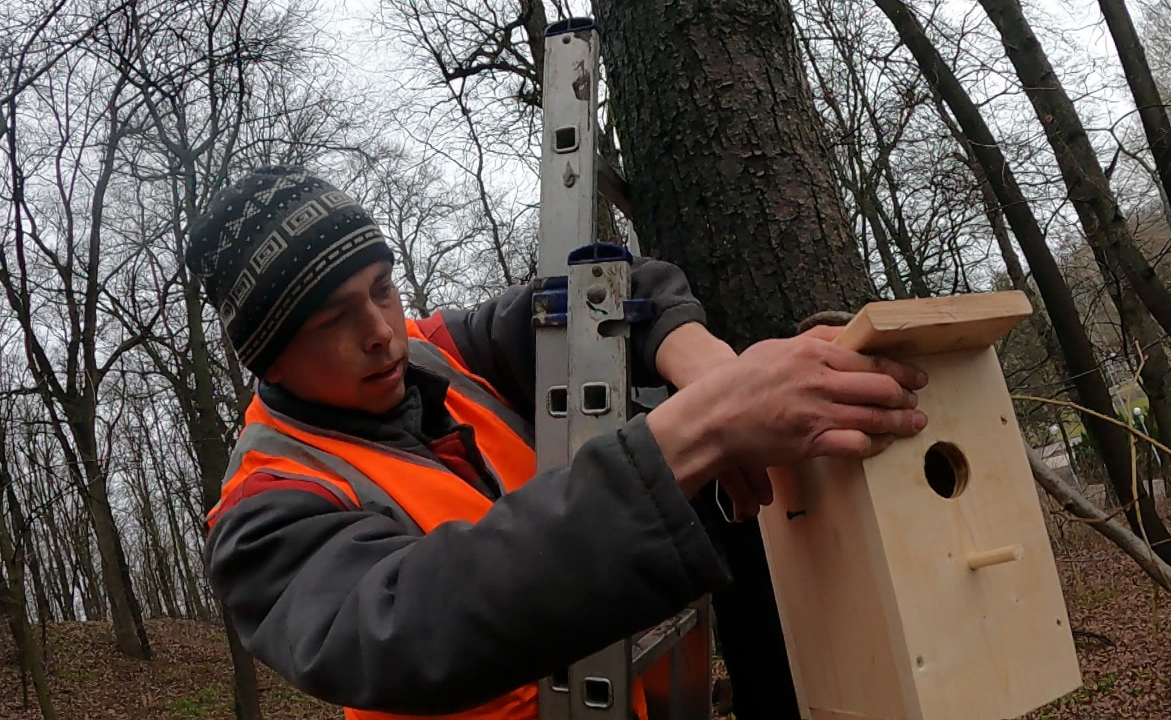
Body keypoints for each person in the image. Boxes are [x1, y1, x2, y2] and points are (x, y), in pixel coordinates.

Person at [190, 165, 929, 720]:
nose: (381, 331)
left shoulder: (441, 350)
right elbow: (407, 626)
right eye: (333, 320)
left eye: (383, 287)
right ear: (271, 357)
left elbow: (605, 293)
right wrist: (699, 429)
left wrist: (706, 368)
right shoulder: (264, 507)